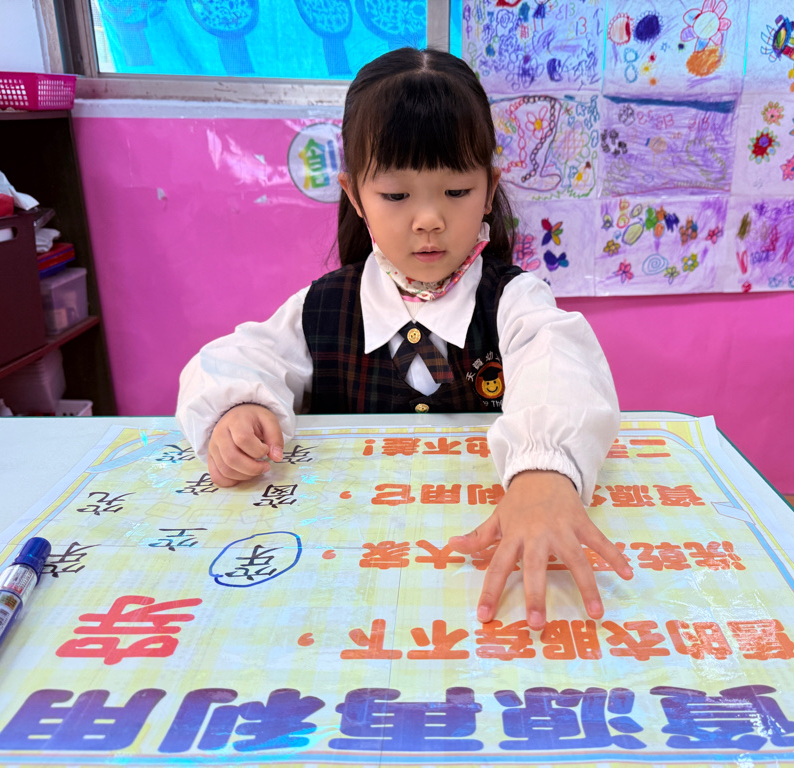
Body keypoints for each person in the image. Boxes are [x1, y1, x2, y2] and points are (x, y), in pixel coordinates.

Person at [176, 47, 632, 631]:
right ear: (354, 195)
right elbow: (236, 359)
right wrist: (236, 411)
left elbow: (561, 366)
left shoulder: (513, 300)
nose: (428, 219)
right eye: (396, 196)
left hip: (474, 568)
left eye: (456, 192)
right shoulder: (323, 307)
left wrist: (544, 471)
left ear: (489, 188)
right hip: (346, 574)